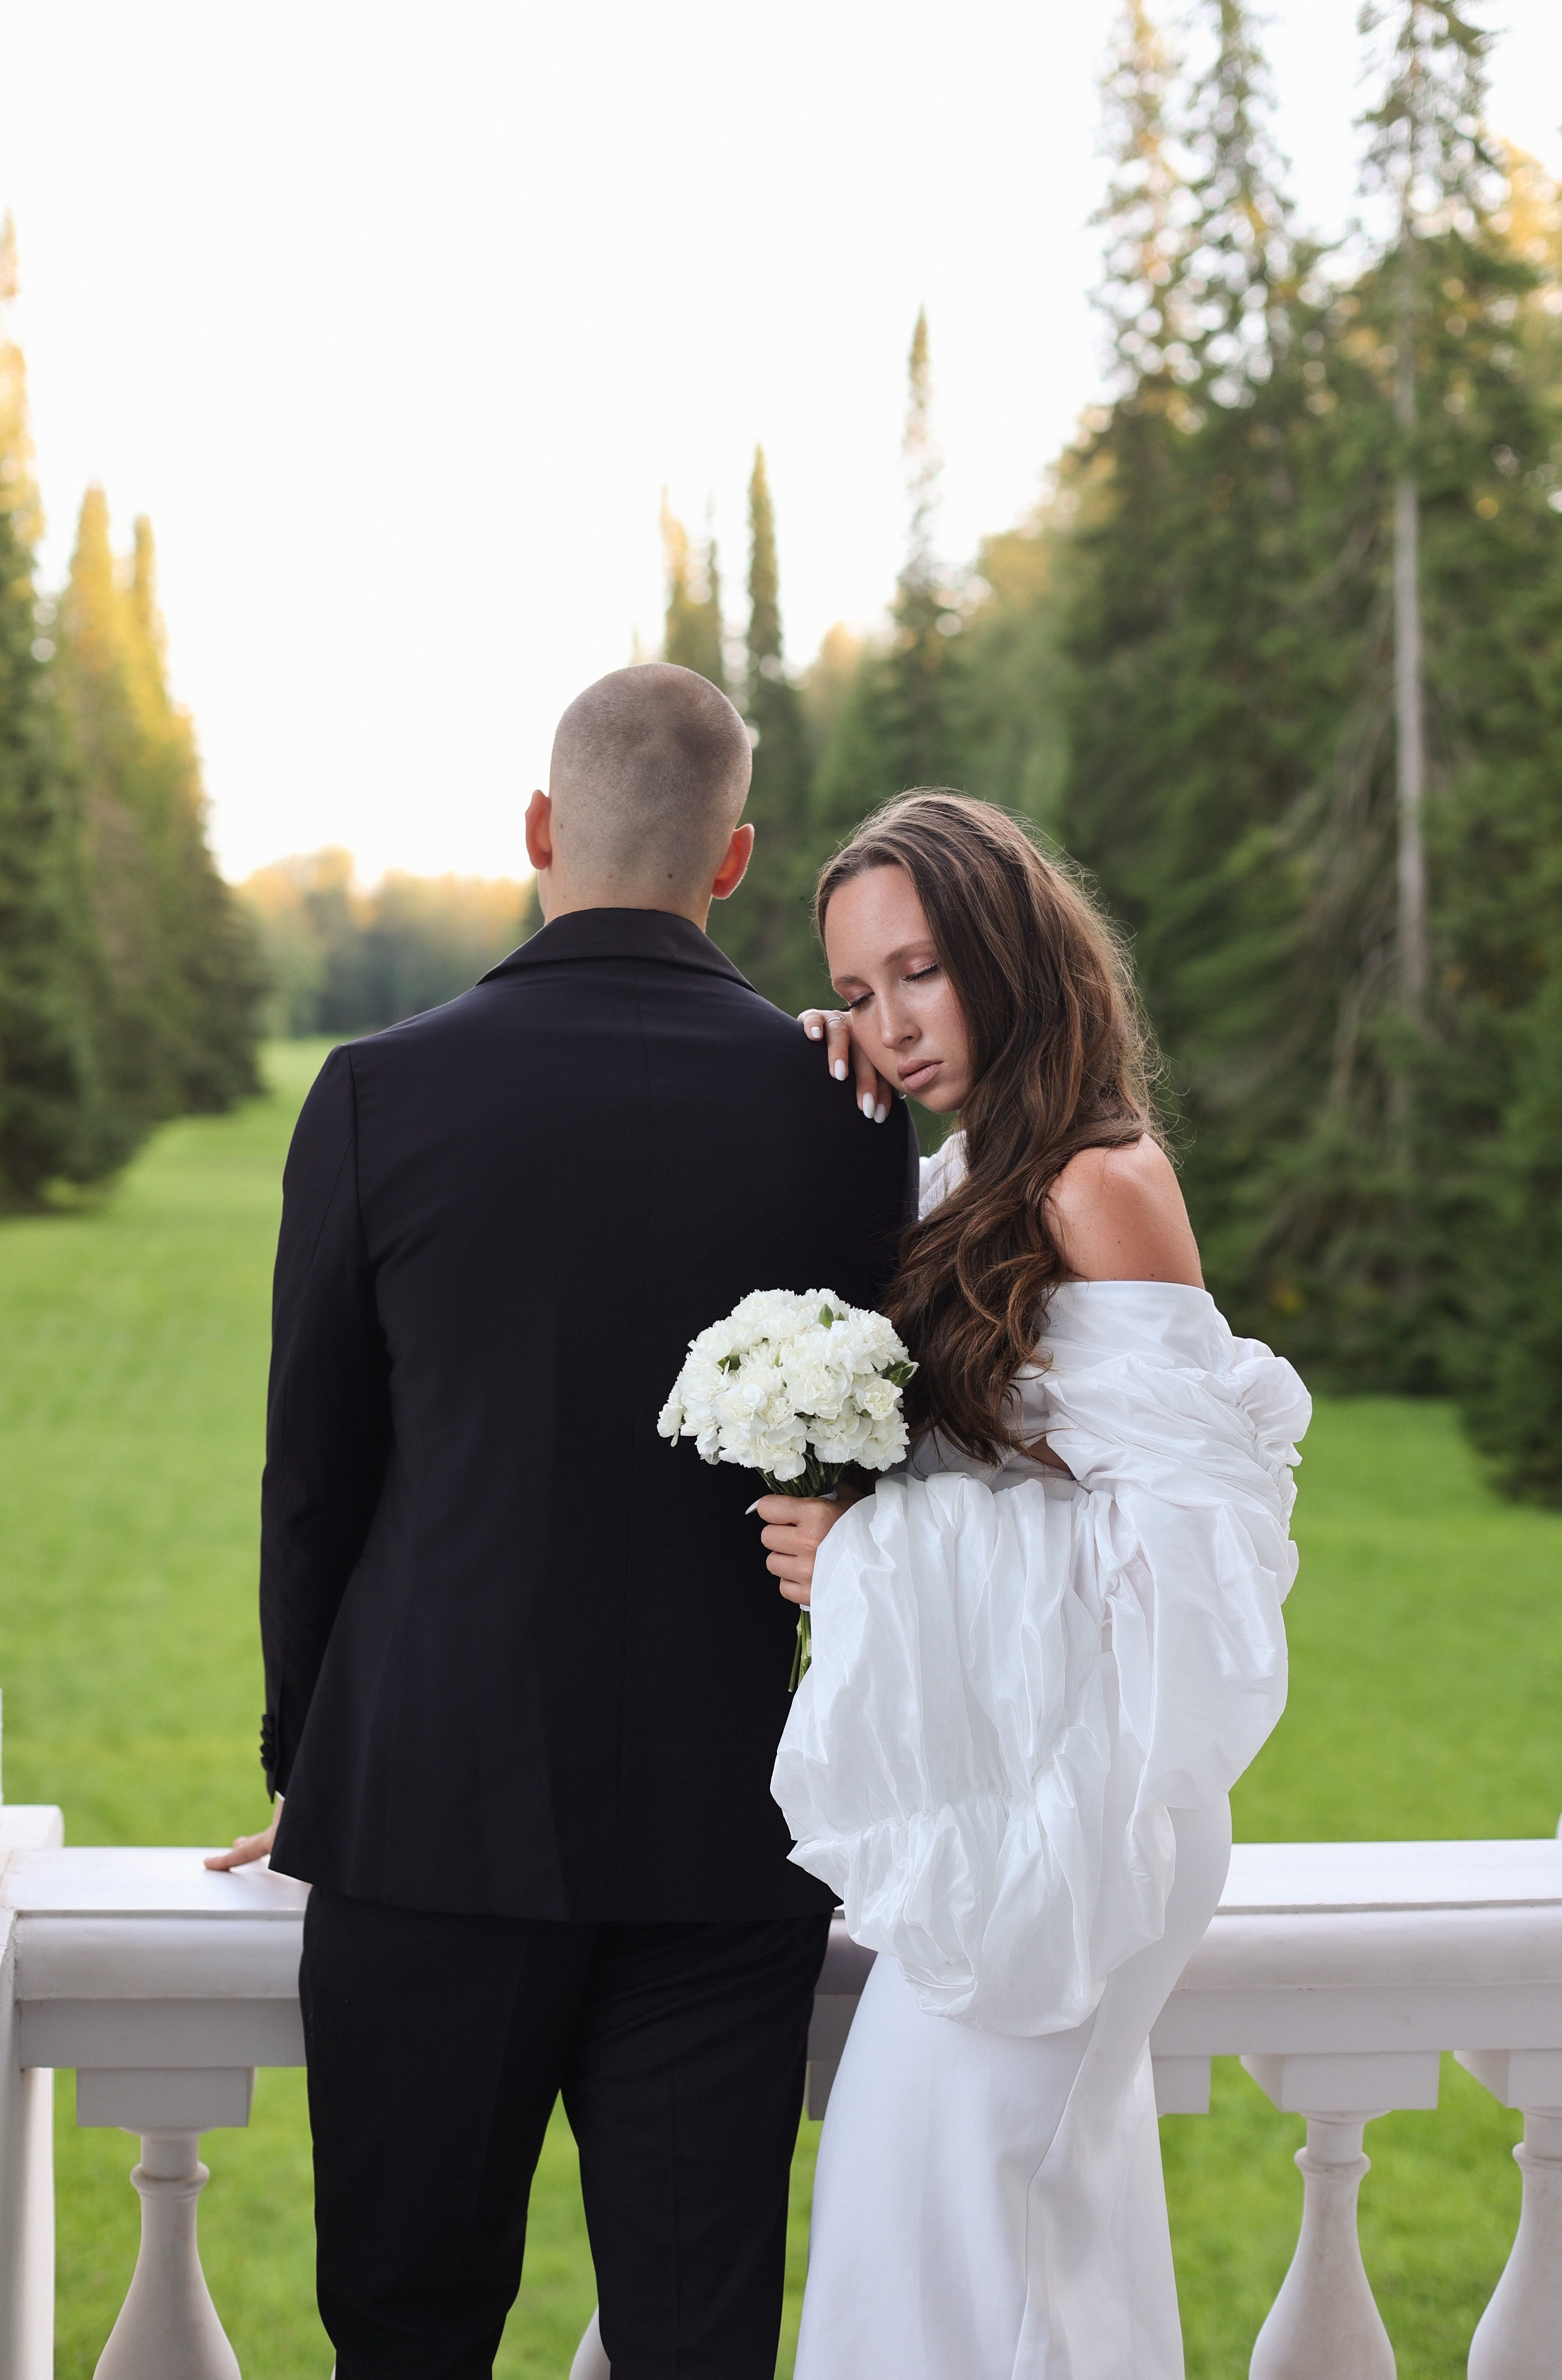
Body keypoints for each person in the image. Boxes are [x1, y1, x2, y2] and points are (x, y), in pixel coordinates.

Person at [206, 664, 915, 2380]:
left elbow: (314, 1481)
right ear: (734, 862)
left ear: (539, 828)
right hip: (723, 1827)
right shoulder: (844, 1111)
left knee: (405, 2329)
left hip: (424, 1824)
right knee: (695, 2340)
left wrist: (310, 1754)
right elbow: (887, 1467)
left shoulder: (376, 1093)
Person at [756, 791, 1309, 2380]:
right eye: (859, 993)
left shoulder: (1093, 1185)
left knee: (965, 2257)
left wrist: (870, 1557)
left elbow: (1191, 1586)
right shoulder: (975, 1174)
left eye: (918, 971)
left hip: (1092, 1808)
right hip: (1018, 1791)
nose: (893, 1022)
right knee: (976, 2254)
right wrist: (816, 1093)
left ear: (1007, 948)